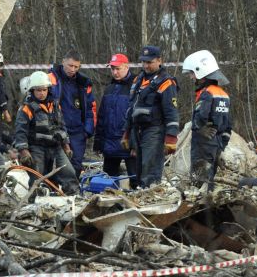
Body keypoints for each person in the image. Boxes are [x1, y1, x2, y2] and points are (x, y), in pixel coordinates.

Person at [122, 45, 180, 188]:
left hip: (155, 130)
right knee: (139, 168)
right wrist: (126, 132)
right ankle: (142, 194)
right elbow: (131, 108)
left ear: (159, 60)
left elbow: (171, 112)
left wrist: (171, 137)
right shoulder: (138, 80)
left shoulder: (166, 82)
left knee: (151, 168)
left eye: (149, 62)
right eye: (144, 62)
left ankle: (151, 193)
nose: (146, 65)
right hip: (137, 129)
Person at [13, 71, 79, 194]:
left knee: (69, 174)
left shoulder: (55, 105)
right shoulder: (26, 108)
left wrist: (66, 145)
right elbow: (20, 132)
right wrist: (24, 151)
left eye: (44, 90)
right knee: (37, 178)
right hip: (37, 148)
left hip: (56, 147)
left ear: (48, 89)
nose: (41, 93)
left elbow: (62, 126)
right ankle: (34, 203)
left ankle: (74, 199)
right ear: (32, 90)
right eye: (38, 90)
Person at [181, 50, 232, 187]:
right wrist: (220, 149)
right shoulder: (223, 95)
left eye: (192, 73)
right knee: (209, 181)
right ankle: (209, 205)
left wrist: (199, 128)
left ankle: (201, 207)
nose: (191, 77)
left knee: (199, 181)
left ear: (200, 72)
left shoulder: (206, 94)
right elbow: (228, 127)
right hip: (216, 143)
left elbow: (201, 117)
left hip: (203, 145)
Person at [48, 50, 96, 176]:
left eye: (76, 67)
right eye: (70, 65)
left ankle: (73, 192)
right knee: (57, 166)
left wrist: (87, 130)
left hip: (78, 131)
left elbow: (91, 108)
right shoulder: (51, 79)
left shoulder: (83, 83)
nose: (73, 69)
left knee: (76, 166)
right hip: (57, 130)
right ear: (63, 62)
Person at [93, 53, 137, 183]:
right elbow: (102, 117)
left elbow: (138, 118)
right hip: (110, 143)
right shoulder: (109, 88)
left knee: (136, 181)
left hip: (128, 141)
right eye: (112, 69)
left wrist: (135, 142)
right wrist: (98, 141)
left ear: (127, 67)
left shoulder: (136, 86)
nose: (115, 72)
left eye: (118, 68)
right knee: (108, 182)